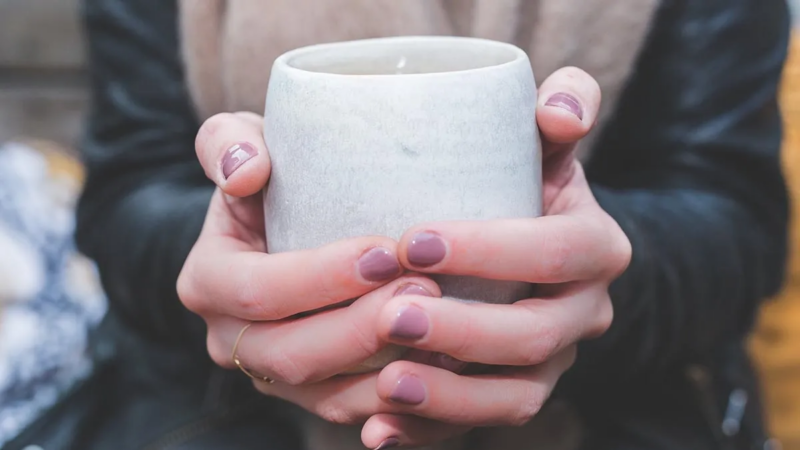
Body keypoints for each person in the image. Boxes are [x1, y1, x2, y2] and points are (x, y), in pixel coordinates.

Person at [4, 0, 790, 449]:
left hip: (615, 410)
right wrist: (239, 260)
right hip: (219, 409)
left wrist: (580, 282)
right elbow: (128, 194)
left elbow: (733, 222)